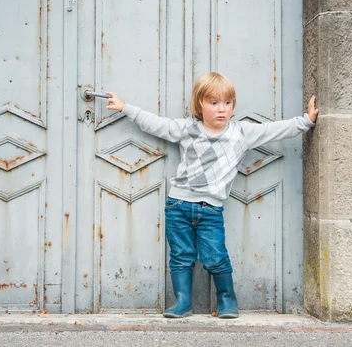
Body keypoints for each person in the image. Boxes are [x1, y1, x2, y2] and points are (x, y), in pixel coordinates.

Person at [106, 72, 318, 319]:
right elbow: (156, 124)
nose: (222, 110)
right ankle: (183, 302)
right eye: (214, 103)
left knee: (216, 257)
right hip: (179, 205)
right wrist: (125, 108)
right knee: (180, 256)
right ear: (200, 105)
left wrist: (307, 121)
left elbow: (274, 130)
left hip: (211, 210)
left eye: (227, 103)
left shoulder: (241, 133)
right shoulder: (187, 129)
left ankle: (227, 299)